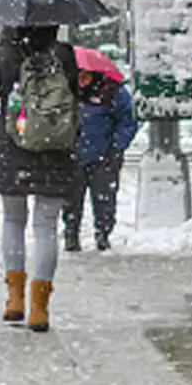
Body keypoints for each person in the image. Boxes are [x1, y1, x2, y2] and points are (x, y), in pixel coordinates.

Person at [0, 25, 80, 332]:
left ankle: (15, 300)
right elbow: (75, 97)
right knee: (46, 226)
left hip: (13, 145)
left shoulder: (5, 53)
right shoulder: (64, 55)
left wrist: (0, 84)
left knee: (13, 220)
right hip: (56, 148)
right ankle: (40, 309)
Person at [63, 64, 138, 252]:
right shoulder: (65, 91)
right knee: (71, 199)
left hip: (104, 156)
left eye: (85, 77)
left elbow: (127, 121)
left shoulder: (112, 92)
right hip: (72, 156)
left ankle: (103, 234)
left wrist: (116, 147)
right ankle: (71, 233)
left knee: (104, 199)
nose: (81, 81)